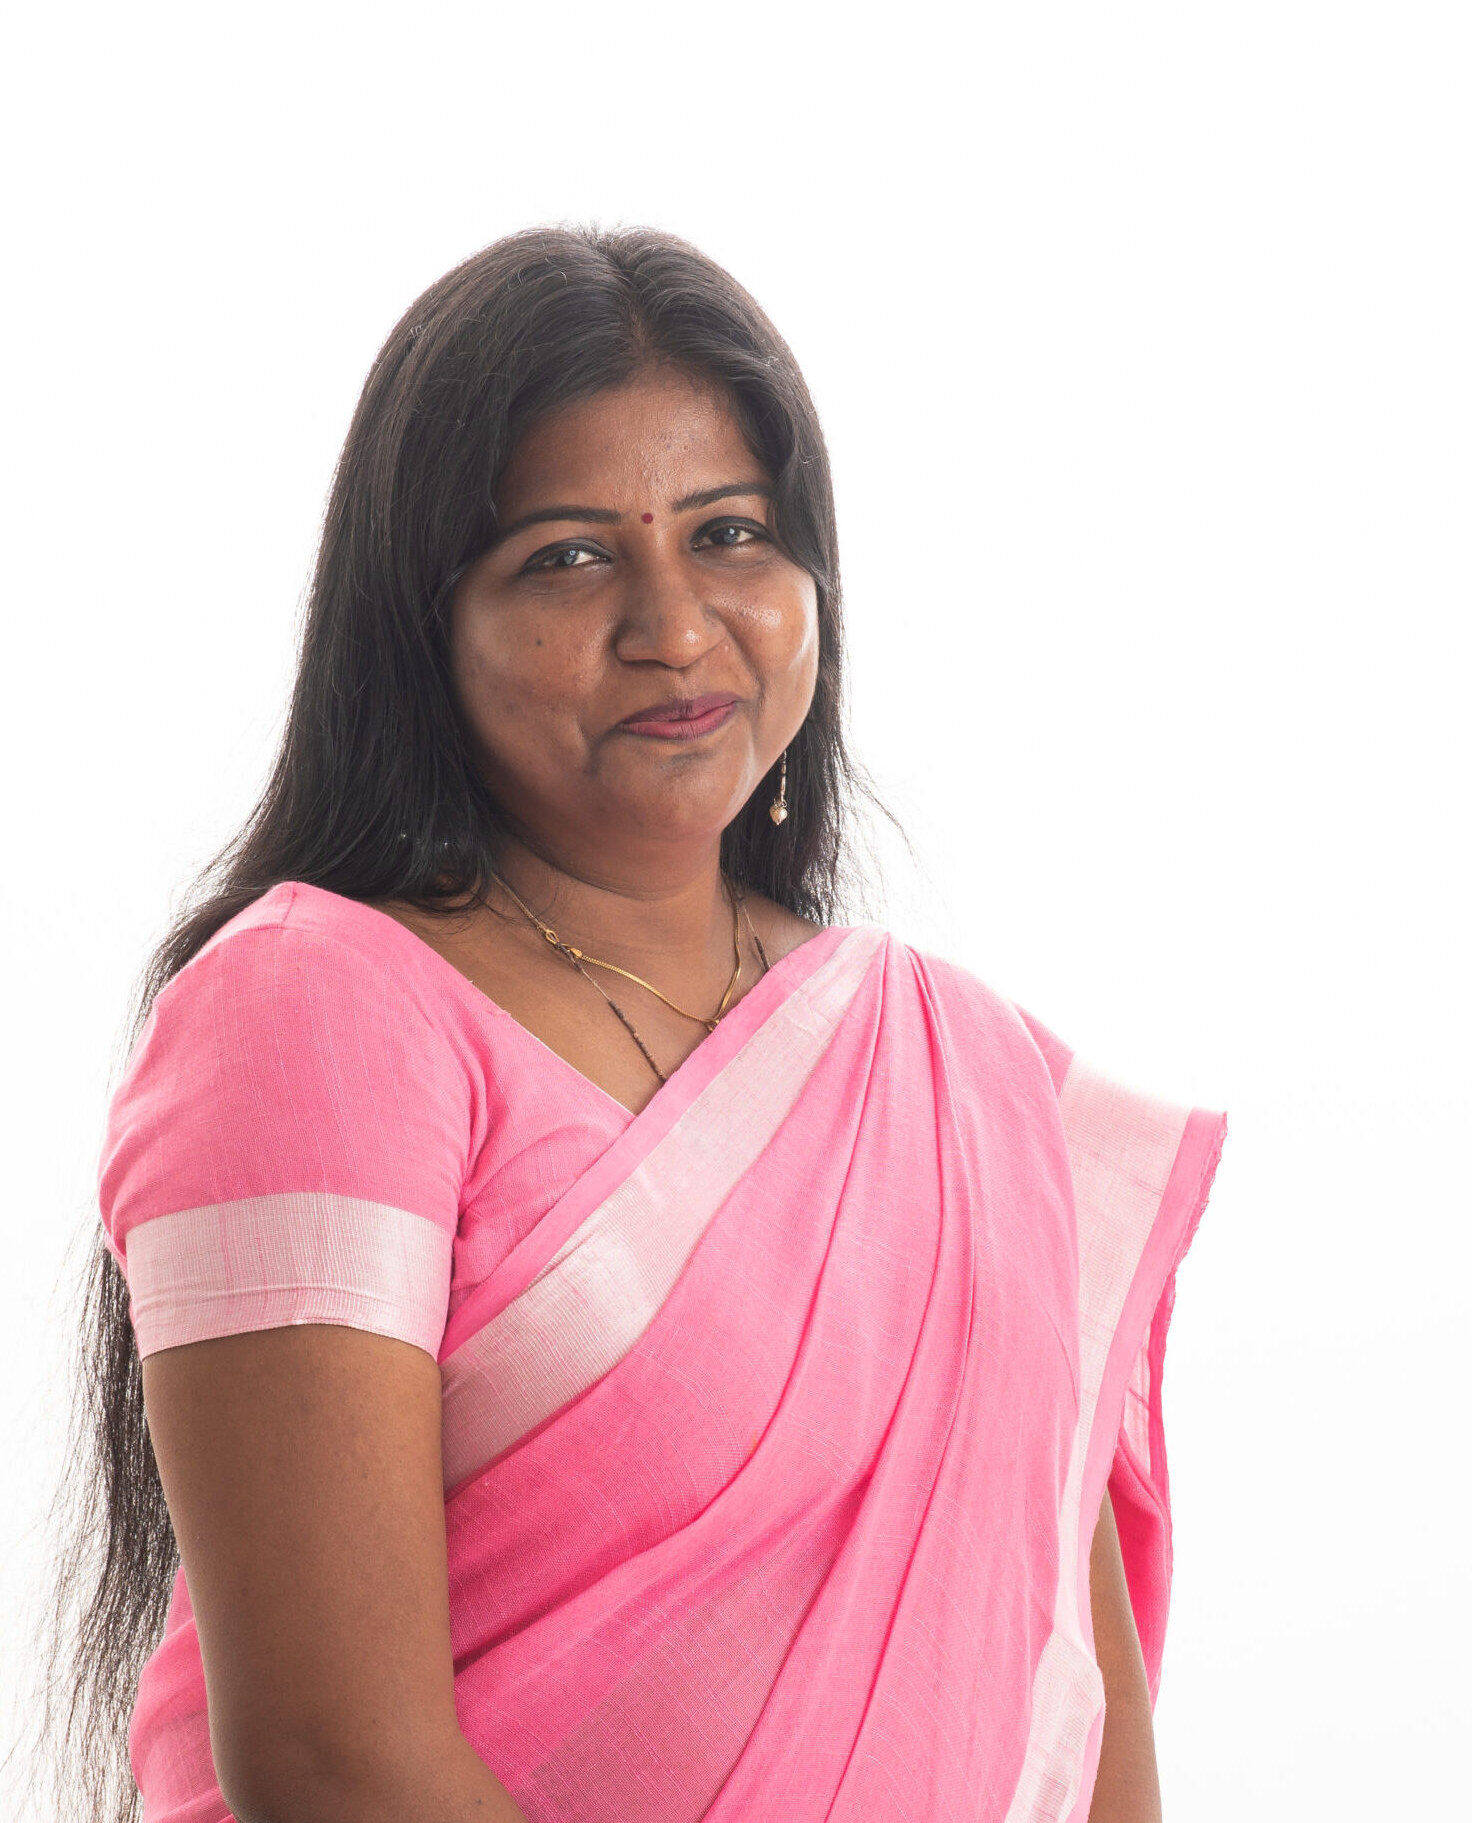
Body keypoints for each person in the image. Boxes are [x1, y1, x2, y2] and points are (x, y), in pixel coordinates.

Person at [64, 225, 1226, 1823]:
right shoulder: (313, 1008)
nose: (673, 625)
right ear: (422, 621)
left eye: (730, 534)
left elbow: (1071, 1720)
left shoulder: (971, 1081)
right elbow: (337, 1762)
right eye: (566, 556)